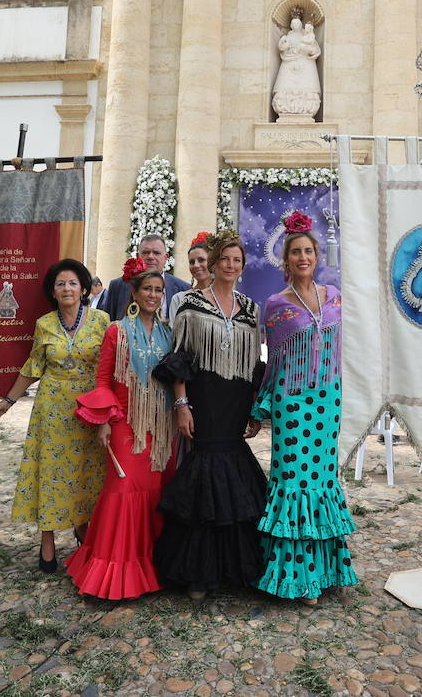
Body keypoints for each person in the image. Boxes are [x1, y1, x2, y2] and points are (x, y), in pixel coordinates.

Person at [153, 230, 267, 603]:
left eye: (237, 261)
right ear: (214, 264)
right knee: (204, 468)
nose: (231, 266)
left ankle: (236, 567)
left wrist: (254, 406)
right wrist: (181, 404)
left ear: (242, 266)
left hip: (235, 400)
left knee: (234, 467)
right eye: (225, 260)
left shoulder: (251, 308)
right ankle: (197, 572)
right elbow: (181, 356)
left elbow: (253, 363)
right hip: (203, 395)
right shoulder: (188, 302)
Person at [253, 215, 357, 604]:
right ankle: (296, 576)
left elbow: (346, 350)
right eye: (295, 251)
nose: (302, 257)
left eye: (308, 251)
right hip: (292, 404)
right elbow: (274, 361)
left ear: (317, 256)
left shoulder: (334, 297)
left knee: (322, 481)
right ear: (286, 259)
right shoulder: (275, 304)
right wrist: (261, 404)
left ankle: (325, 572)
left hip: (327, 401)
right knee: (294, 482)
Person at [63, 258, 176, 599]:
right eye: (147, 289)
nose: (153, 295)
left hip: (160, 425)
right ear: (134, 292)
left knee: (157, 491)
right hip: (126, 423)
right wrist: (106, 422)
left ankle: (154, 568)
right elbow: (103, 378)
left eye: (158, 290)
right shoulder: (116, 330)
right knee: (123, 490)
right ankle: (112, 572)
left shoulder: (169, 332)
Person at [0, 258, 109, 572]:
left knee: (87, 474)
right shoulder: (44, 324)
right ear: (53, 292)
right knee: (50, 475)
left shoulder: (102, 320)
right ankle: (47, 539)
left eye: (72, 282)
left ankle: (84, 528)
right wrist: (9, 400)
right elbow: (33, 367)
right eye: (60, 284)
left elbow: (110, 368)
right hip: (52, 409)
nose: (67, 288)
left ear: (83, 288)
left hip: (91, 410)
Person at [98, 235, 189, 321]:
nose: (150, 257)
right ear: (138, 256)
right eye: (146, 253)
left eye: (156, 253)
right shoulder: (118, 286)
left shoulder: (183, 289)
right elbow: (107, 323)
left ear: (166, 258)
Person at [169, 232, 212, 322]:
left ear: (212, 262)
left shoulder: (227, 297)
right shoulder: (179, 299)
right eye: (192, 262)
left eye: (201, 260)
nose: (196, 265)